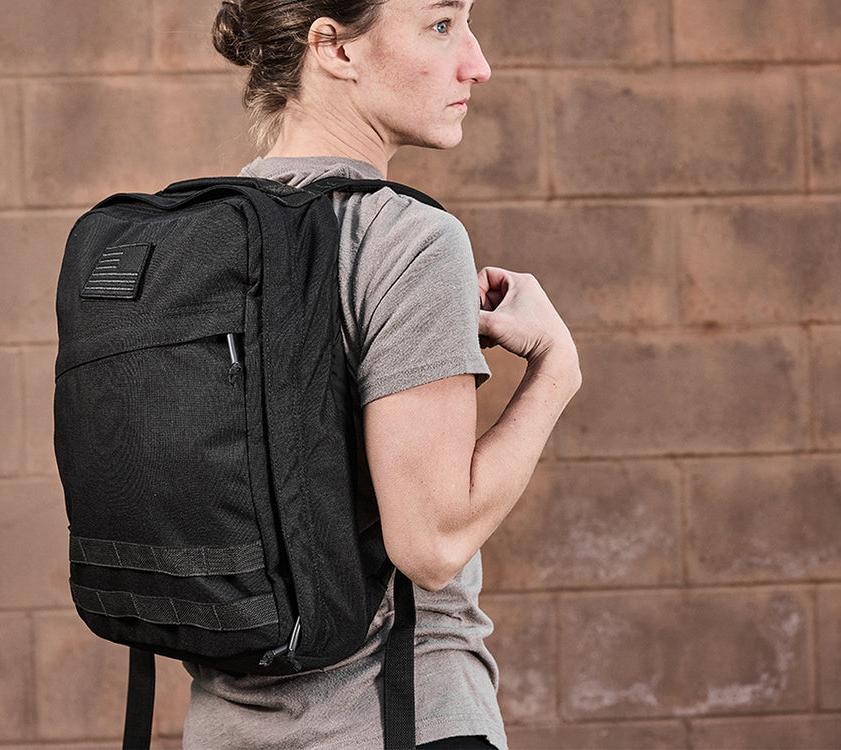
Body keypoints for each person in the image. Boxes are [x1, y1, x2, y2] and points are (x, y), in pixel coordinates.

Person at [185, 1, 580, 747]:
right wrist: (556, 371)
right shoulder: (407, 239)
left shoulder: (197, 241)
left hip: (219, 727)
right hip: (398, 721)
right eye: (442, 24)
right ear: (333, 48)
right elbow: (429, 544)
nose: (477, 62)